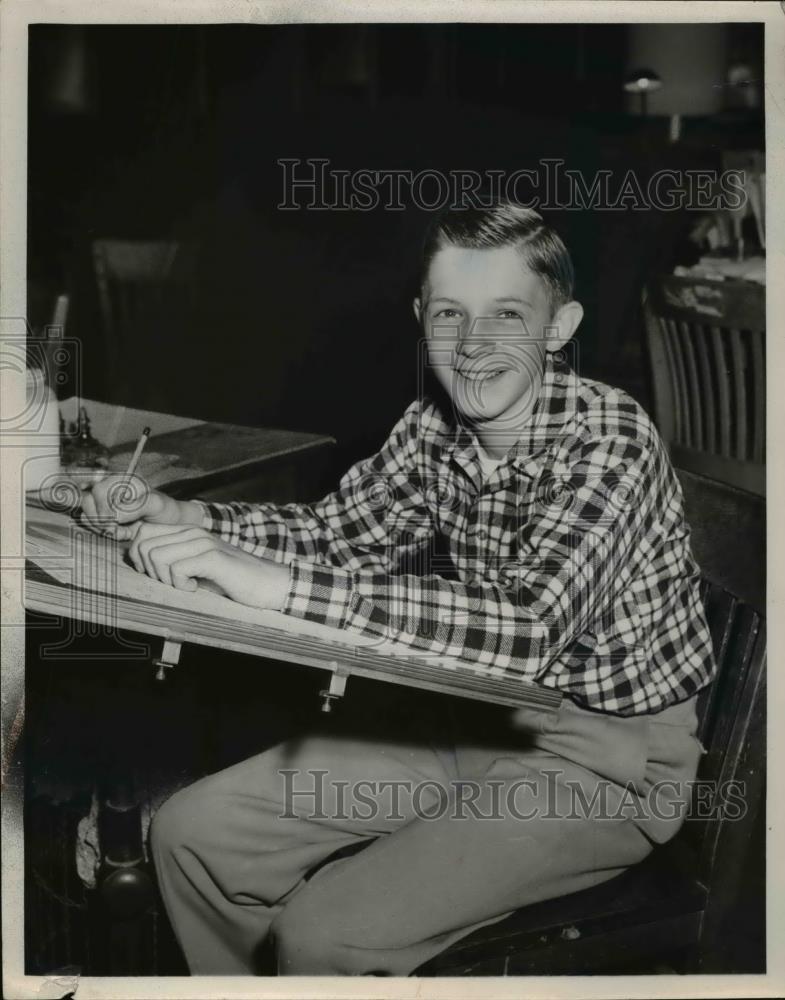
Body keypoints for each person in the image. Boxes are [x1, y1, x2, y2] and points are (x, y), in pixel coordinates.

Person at [81, 202, 716, 976]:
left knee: (325, 933)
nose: (474, 346)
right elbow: (335, 532)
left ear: (559, 326)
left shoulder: (608, 436)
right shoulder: (433, 426)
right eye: (450, 313)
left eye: (506, 315)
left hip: (603, 764)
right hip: (465, 714)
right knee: (191, 836)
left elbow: (527, 628)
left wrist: (278, 588)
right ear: (421, 318)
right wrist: (186, 517)